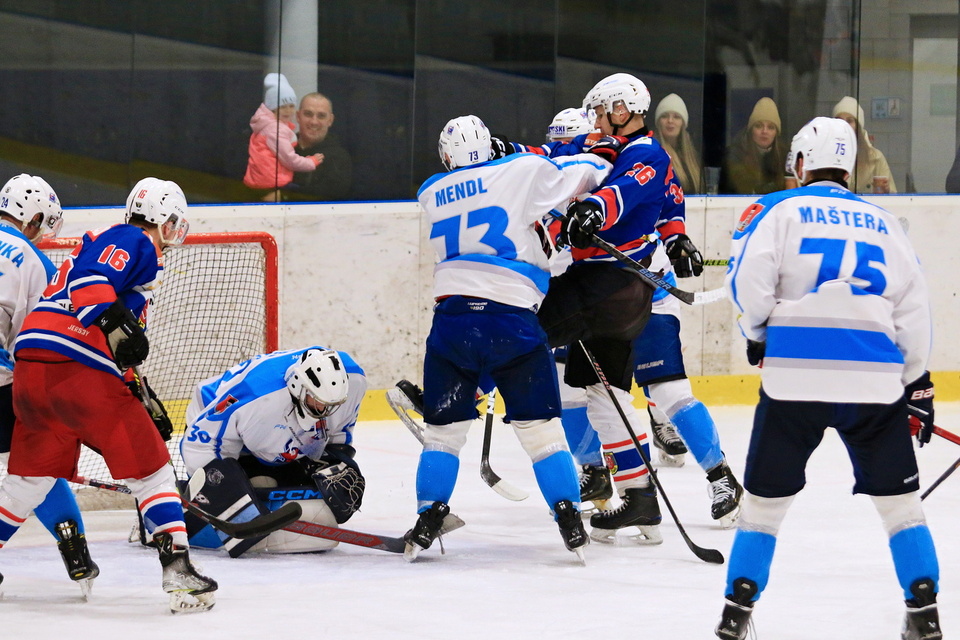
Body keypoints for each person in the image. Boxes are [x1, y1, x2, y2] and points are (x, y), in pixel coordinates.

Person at [716, 117, 942, 639]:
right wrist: (914, 380)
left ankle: (736, 611)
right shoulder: (885, 222)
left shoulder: (778, 209)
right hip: (873, 380)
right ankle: (924, 612)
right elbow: (914, 311)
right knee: (902, 508)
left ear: (801, 162)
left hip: (794, 377)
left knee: (763, 508)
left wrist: (759, 333)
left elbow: (747, 283)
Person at [0, 177, 218, 613]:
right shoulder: (134, 239)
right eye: (174, 223)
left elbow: (110, 333)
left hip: (30, 373)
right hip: (75, 370)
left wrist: (136, 386)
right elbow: (91, 283)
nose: (176, 232)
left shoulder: (115, 251)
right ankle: (178, 571)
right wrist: (115, 322)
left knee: (27, 483)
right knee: (154, 473)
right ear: (162, 219)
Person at [404, 114, 616, 562]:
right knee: (542, 432)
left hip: (453, 323)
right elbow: (585, 172)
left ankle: (427, 517)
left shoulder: (430, 191)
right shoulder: (519, 170)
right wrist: (606, 152)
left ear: (446, 157)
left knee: (442, 435)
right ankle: (569, 516)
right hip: (512, 321)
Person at [532, 72, 700, 545]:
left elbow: (624, 193)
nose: (599, 120)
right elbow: (555, 152)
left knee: (521, 334)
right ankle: (640, 496)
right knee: (606, 395)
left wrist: (595, 212)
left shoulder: (645, 152)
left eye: (604, 111)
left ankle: (461, 397)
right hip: (614, 290)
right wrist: (508, 151)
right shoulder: (613, 147)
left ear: (623, 109)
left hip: (608, 285)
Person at [0, 174, 101, 595]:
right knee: (38, 467)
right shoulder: (34, 262)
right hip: (5, 386)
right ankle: (75, 551)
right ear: (34, 219)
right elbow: (37, 341)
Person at [178, 347, 367, 557]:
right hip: (215, 428)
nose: (325, 410)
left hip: (273, 436)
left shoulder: (354, 380)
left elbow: (339, 429)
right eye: (318, 402)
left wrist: (337, 461)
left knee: (316, 498)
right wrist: (220, 492)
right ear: (298, 387)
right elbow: (200, 443)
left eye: (331, 405)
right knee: (252, 492)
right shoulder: (252, 397)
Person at [243, 73, 322, 197]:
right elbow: (289, 159)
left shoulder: (267, 125)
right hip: (270, 182)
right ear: (273, 108)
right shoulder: (275, 130)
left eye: (291, 106)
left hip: (262, 178)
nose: (288, 111)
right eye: (283, 107)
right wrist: (311, 162)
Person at [291, 92, 353, 201]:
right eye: (308, 114)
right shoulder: (281, 149)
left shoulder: (339, 158)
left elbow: (328, 197)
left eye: (321, 116)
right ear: (298, 116)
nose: (314, 122)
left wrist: (283, 196)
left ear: (330, 120)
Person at [719, 97, 787, 195]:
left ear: (776, 133)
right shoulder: (735, 155)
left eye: (771, 127)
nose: (764, 131)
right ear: (751, 130)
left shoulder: (784, 157)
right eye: (759, 126)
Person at [832, 96, 898, 194]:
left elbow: (893, 197)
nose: (844, 125)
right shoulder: (826, 155)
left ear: (858, 126)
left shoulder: (875, 158)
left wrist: (885, 191)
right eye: (840, 120)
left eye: (849, 121)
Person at [654, 93, 705, 194]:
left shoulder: (692, 155)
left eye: (676, 117)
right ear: (658, 122)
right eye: (664, 116)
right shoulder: (653, 153)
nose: (670, 121)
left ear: (683, 123)